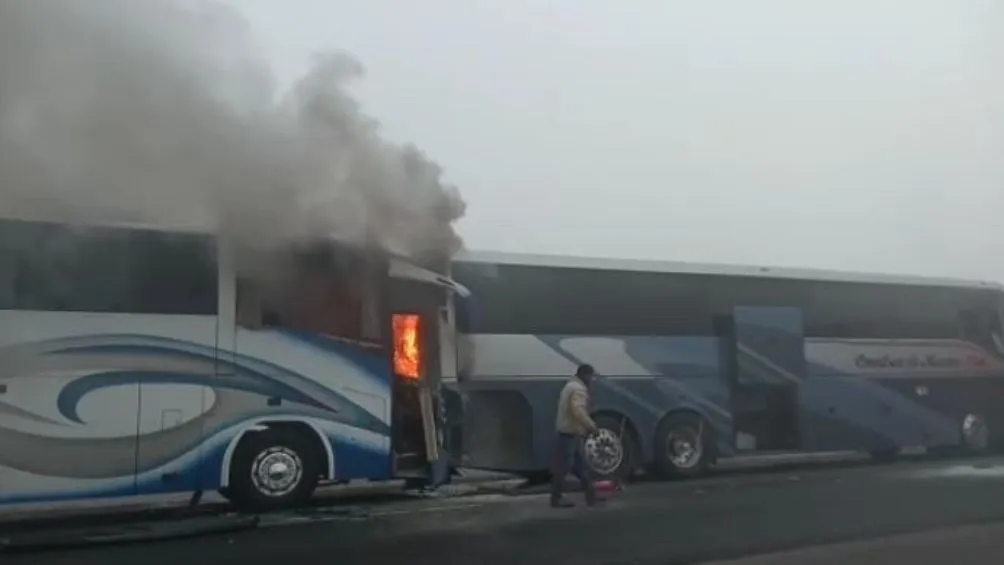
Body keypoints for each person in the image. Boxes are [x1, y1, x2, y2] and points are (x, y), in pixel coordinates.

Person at [551, 363, 601, 508]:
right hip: (570, 433)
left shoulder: (570, 385)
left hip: (570, 432)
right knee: (564, 467)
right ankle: (556, 498)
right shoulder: (578, 389)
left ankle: (591, 496)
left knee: (581, 467)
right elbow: (578, 411)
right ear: (585, 375)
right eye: (591, 376)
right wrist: (591, 426)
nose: (591, 380)